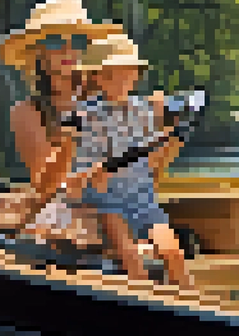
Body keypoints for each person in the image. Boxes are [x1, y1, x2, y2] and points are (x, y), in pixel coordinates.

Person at [0, 0, 123, 256]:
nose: (68, 51)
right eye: (56, 41)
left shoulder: (111, 102)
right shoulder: (26, 112)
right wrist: (72, 139)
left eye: (77, 42)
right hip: (66, 205)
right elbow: (48, 186)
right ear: (39, 53)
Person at [74, 34, 194, 288]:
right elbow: (90, 171)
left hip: (143, 201)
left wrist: (173, 136)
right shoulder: (86, 114)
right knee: (130, 255)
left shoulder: (144, 110)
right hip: (107, 203)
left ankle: (191, 305)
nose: (121, 80)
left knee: (174, 253)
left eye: (128, 73)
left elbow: (154, 163)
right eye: (112, 74)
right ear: (96, 77)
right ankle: (143, 302)